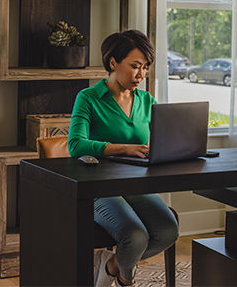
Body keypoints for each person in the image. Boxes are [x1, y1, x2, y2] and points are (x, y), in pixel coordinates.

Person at [67, 30, 179, 287]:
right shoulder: (88, 99)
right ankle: (126, 281)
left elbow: (158, 141)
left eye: (145, 67)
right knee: (135, 235)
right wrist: (123, 148)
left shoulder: (147, 101)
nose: (141, 74)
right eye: (135, 66)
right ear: (113, 63)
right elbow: (76, 145)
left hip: (136, 185)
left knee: (168, 230)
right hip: (97, 187)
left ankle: (111, 265)